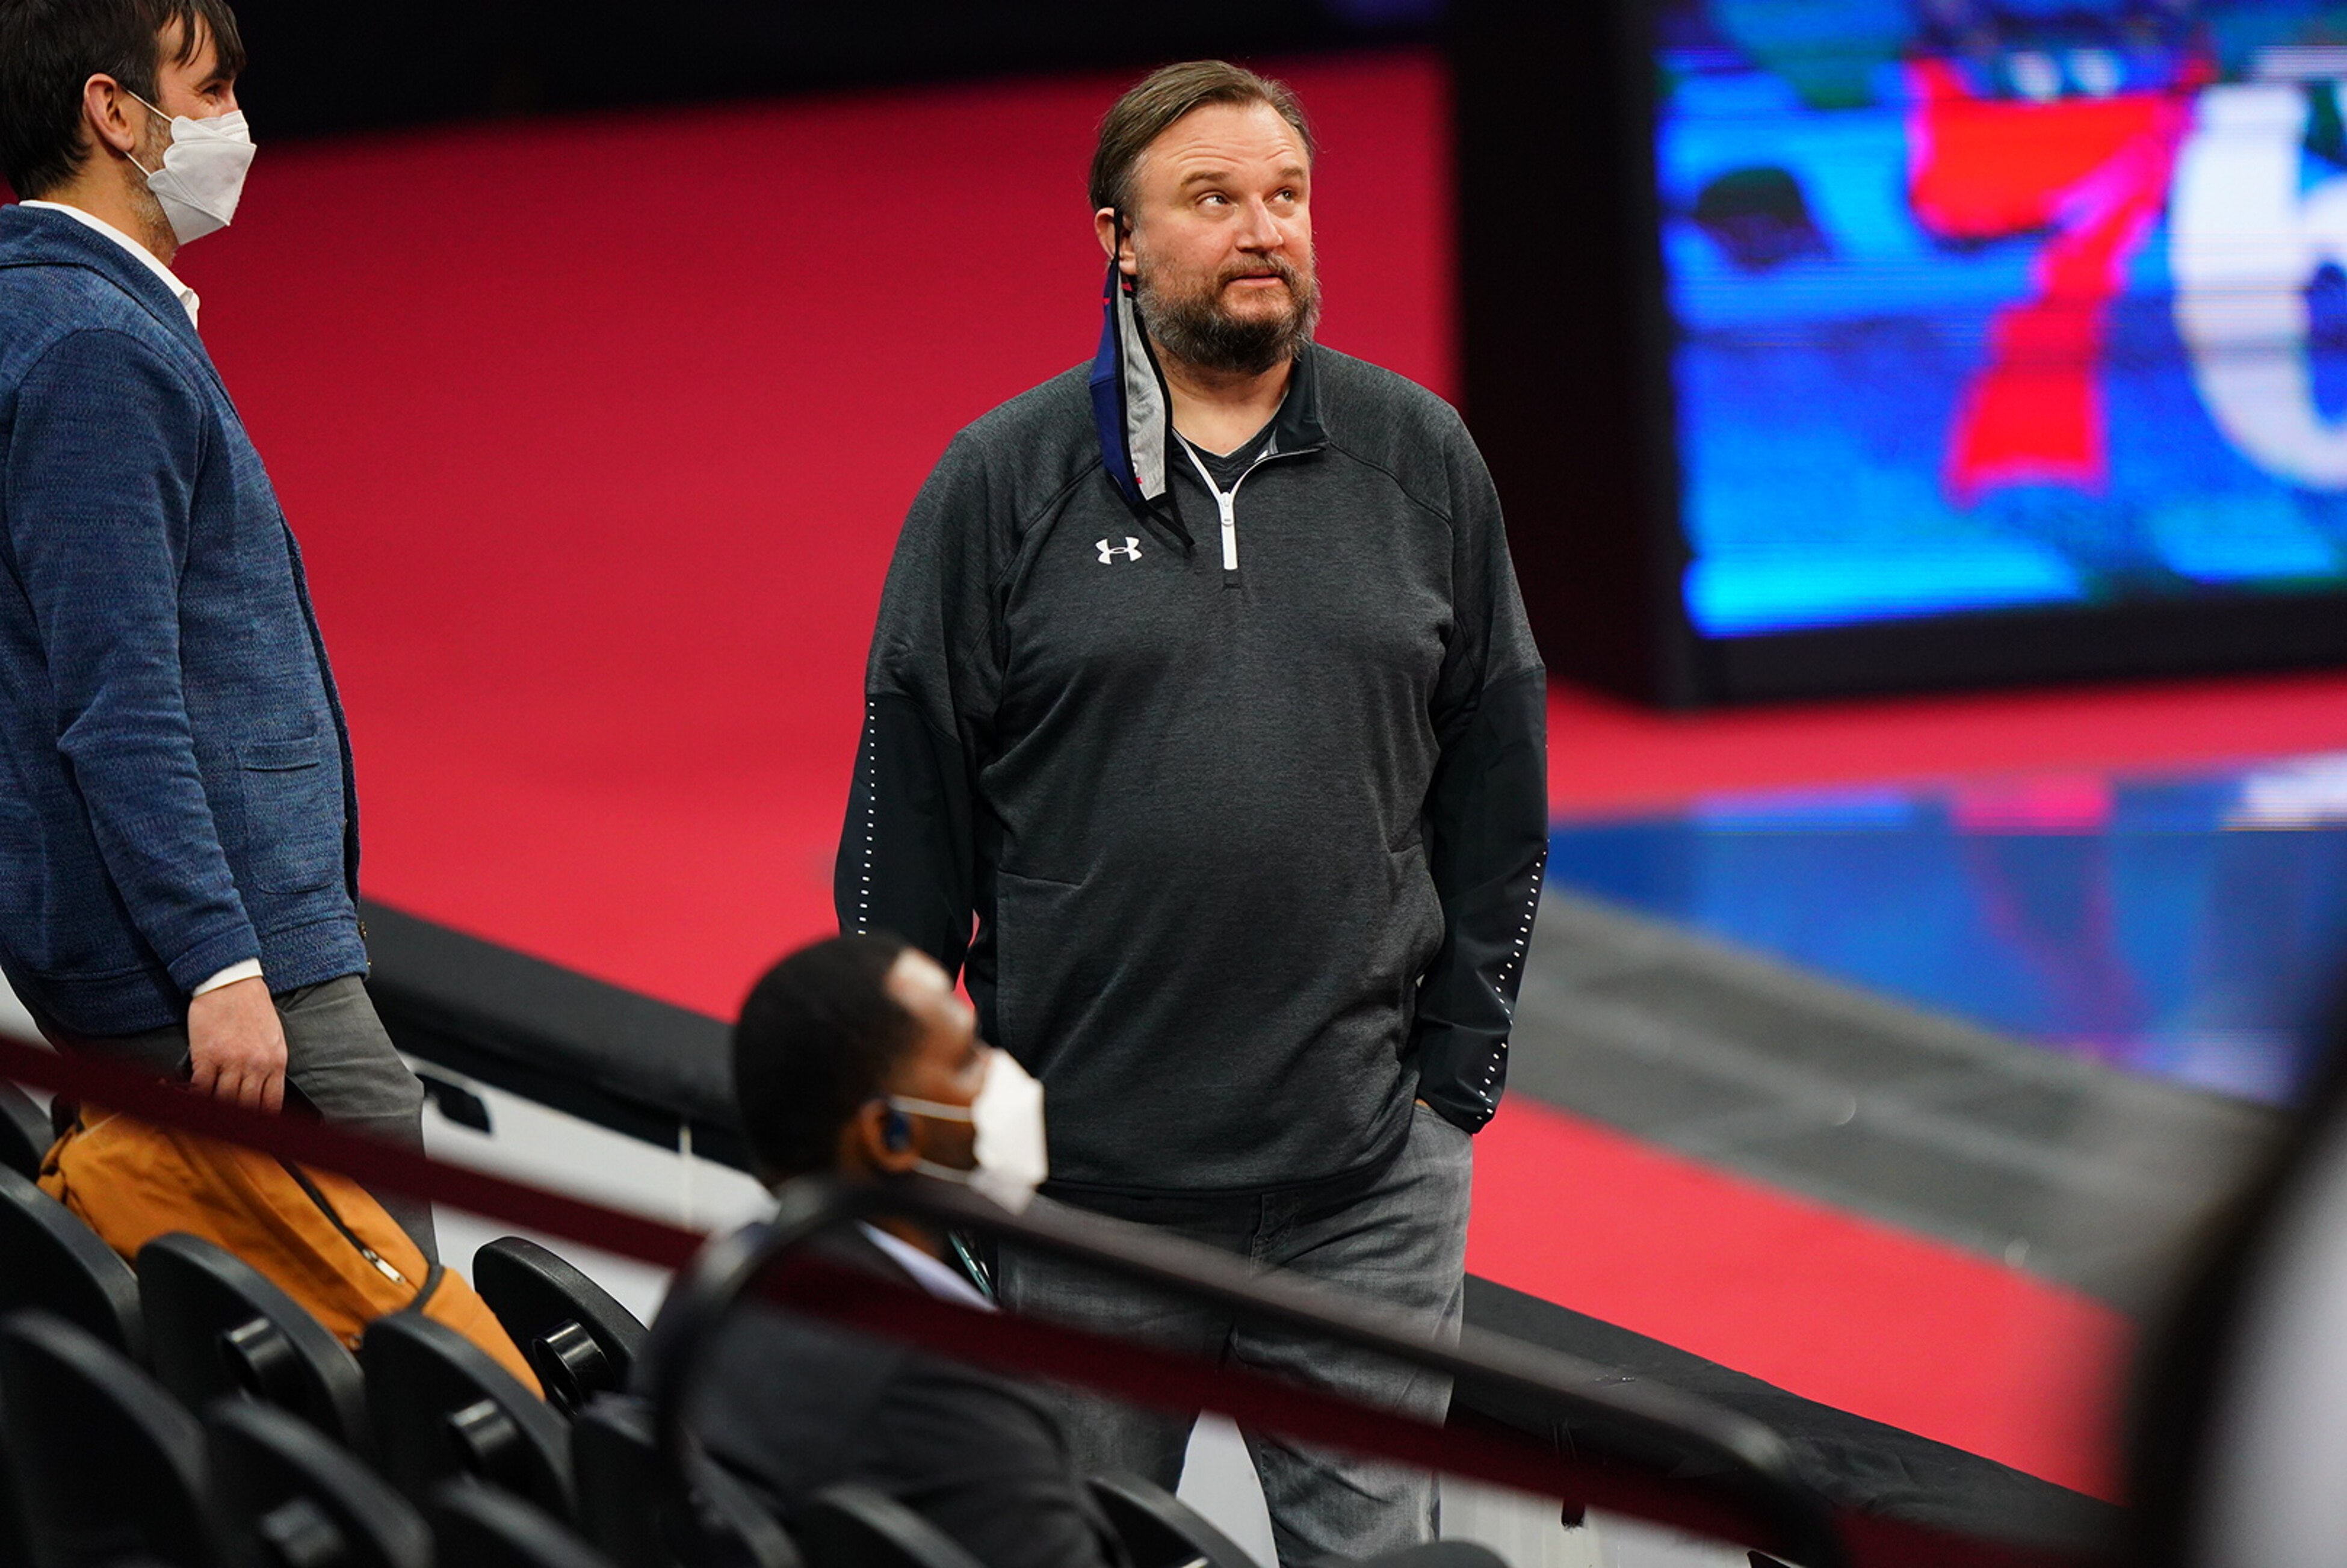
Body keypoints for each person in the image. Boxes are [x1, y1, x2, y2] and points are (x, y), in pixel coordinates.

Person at [837, 58, 1548, 1566]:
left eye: (1284, 196)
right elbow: (904, 836)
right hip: (1085, 1199)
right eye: (1212, 199)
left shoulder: (1422, 462)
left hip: (1365, 1185)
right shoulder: (1000, 483)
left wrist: (1456, 1077)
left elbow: (1502, 784)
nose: (1261, 230)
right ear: (1116, 237)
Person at [0, 0, 433, 1256]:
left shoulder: (58, 317)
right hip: (220, 969)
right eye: (210, 91)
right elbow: (116, 699)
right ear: (112, 113)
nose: (236, 126)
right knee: (386, 1349)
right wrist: (221, 969)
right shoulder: (92, 347)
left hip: (155, 955)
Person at [701, 932, 1127, 1568]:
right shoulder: (943, 1387)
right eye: (967, 1059)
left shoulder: (718, 1282)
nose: (999, 1075)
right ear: (888, 1133)